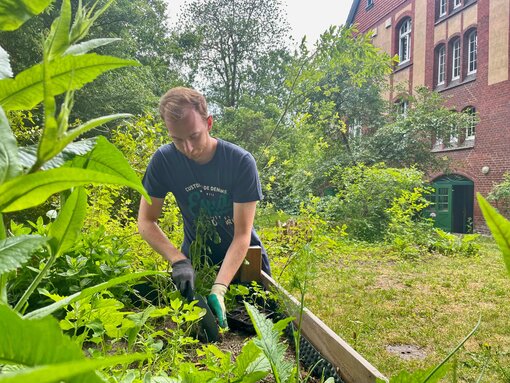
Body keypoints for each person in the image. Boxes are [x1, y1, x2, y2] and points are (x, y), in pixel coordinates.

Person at [138, 87, 270, 328]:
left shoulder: (240, 162)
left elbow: (242, 235)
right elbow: (146, 220)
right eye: (177, 140)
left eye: (194, 136)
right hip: (196, 263)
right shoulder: (164, 161)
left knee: (255, 327)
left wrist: (219, 289)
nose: (187, 148)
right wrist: (178, 260)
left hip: (244, 262)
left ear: (209, 123)